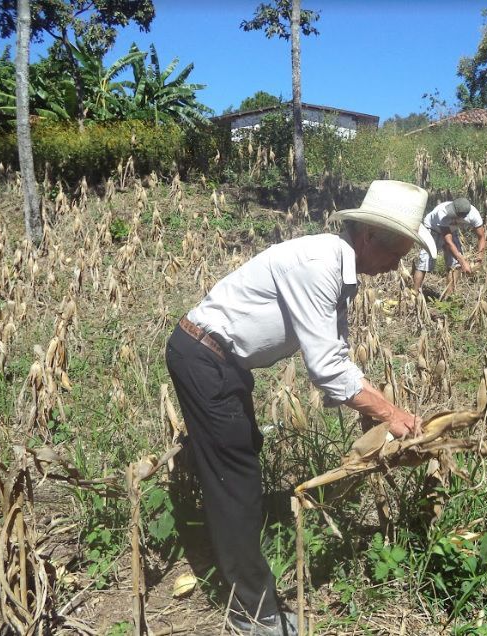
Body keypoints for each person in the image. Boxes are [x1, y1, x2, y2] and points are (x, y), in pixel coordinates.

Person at [164, 180, 436, 636]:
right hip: (204, 357)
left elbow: (339, 358)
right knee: (235, 480)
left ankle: (232, 546)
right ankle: (253, 614)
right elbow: (328, 370)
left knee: (240, 458)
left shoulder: (340, 273)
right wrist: (391, 413)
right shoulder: (319, 264)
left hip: (223, 362)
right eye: (397, 253)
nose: (397, 266)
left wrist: (379, 413)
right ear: (369, 238)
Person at [411, 197, 487, 292]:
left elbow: (481, 237)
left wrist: (479, 258)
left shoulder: (474, 215)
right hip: (432, 229)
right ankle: (414, 295)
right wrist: (462, 261)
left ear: (462, 216)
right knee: (425, 262)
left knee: (455, 265)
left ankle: (449, 297)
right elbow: (448, 241)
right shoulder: (442, 212)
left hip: (452, 230)